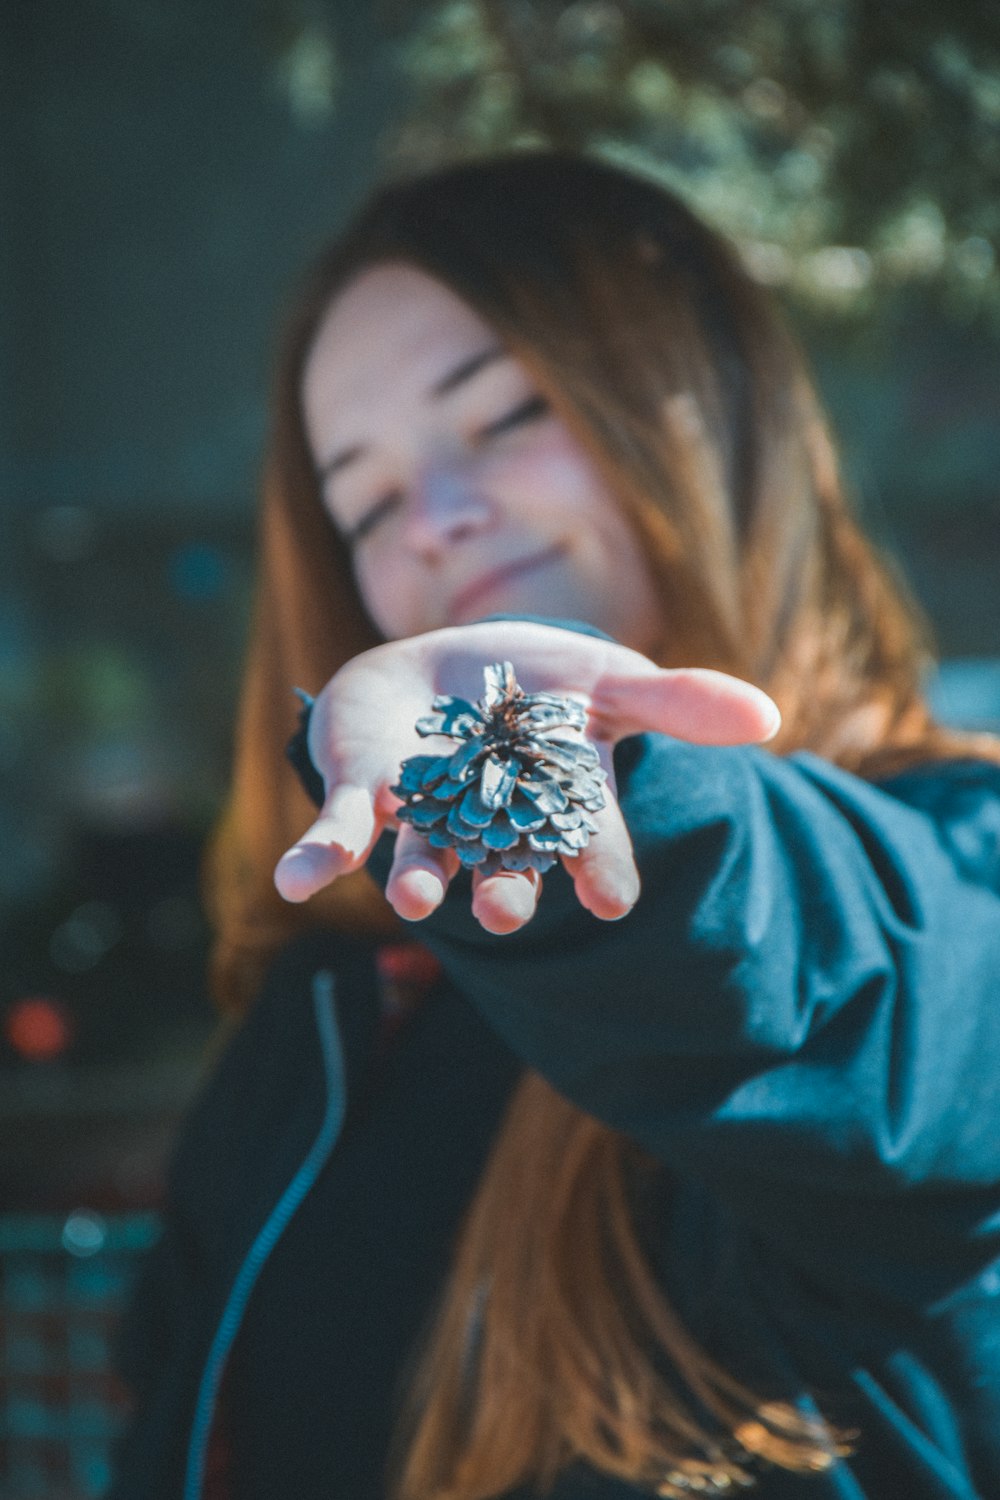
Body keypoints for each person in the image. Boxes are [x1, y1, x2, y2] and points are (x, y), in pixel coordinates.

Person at [111, 152, 1000, 1500]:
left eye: (507, 412)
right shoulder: (332, 1017)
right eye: (367, 500)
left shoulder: (954, 858)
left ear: (708, 407)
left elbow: (850, 1004)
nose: (440, 521)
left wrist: (581, 776)